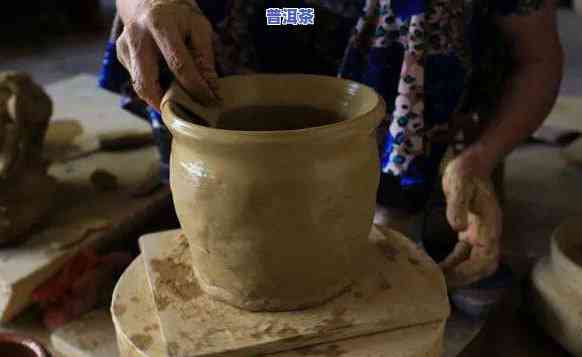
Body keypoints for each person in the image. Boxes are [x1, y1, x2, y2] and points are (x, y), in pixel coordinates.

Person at [105, 0, 563, 306]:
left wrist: (480, 158)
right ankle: (213, 204)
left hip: (406, 69)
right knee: (173, 9)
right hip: (288, 15)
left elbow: (537, 57)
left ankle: (393, 208)